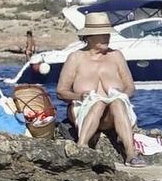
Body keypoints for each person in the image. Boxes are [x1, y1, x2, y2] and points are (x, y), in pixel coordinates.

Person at [55, 10, 140, 164]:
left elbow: (130, 87)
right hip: (84, 110)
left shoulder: (116, 56)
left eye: (108, 33)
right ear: (89, 37)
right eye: (102, 34)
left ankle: (131, 154)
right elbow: (61, 92)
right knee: (99, 102)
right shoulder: (76, 58)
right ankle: (82, 145)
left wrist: (123, 95)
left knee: (117, 102)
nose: (107, 37)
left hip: (113, 114)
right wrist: (79, 96)